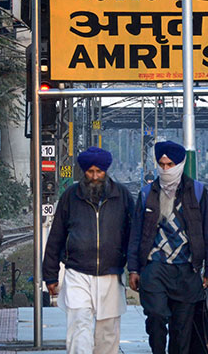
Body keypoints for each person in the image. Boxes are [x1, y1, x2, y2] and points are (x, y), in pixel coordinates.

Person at [128, 141, 208, 354]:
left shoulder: (197, 192)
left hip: (187, 269)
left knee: (182, 329)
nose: (165, 169)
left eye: (170, 165)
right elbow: (136, 233)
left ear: (180, 164)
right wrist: (133, 268)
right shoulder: (147, 194)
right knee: (156, 317)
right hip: (155, 268)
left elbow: (207, 232)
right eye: (162, 164)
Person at [43, 147, 133, 354]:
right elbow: (56, 236)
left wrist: (136, 268)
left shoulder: (122, 196)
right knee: (79, 325)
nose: (94, 176)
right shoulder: (70, 196)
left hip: (111, 273)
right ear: (84, 171)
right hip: (78, 273)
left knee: (108, 331)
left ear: (105, 171)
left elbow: (133, 234)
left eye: (98, 172)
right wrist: (50, 275)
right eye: (90, 171)